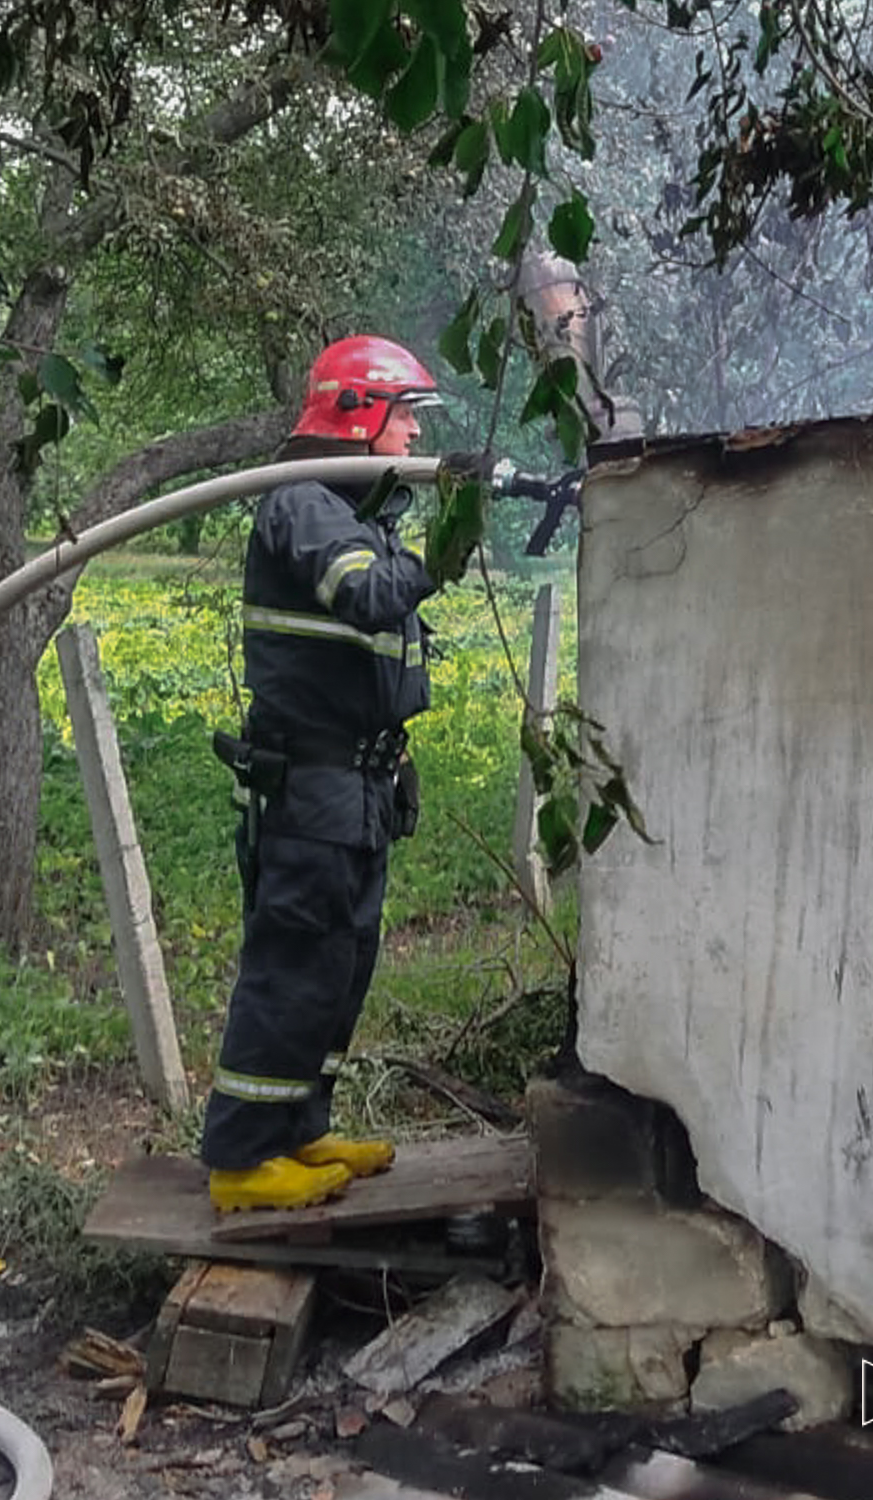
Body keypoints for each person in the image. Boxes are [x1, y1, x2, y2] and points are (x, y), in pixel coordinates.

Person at [201, 335, 479, 1213]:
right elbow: (364, 592)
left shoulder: (355, 514)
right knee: (295, 960)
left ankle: (298, 1125)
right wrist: (438, 553)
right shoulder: (303, 505)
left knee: (342, 961)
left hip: (357, 788)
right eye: (405, 420)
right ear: (359, 417)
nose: (412, 440)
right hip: (311, 787)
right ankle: (244, 1158)